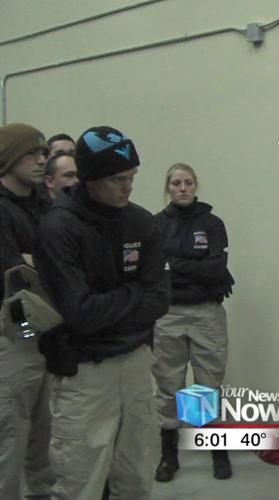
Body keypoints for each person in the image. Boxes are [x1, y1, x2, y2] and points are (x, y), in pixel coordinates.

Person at [33, 125, 170, 500]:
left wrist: (113, 301)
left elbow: (160, 299)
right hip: (84, 373)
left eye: (132, 178)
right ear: (90, 178)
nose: (127, 188)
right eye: (117, 180)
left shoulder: (142, 222)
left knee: (137, 478)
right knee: (81, 483)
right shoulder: (58, 228)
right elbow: (80, 312)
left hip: (136, 362)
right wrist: (135, 291)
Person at [152, 162, 235, 482]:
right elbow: (155, 271)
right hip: (168, 314)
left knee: (206, 385)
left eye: (187, 182)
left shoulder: (212, 223)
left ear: (195, 185)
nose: (182, 188)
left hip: (206, 313)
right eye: (176, 183)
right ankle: (169, 455)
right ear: (168, 188)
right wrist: (194, 266)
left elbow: (216, 269)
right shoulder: (155, 225)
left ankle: (215, 451)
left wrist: (175, 264)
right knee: (169, 384)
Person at [0, 123, 54, 500]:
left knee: (45, 435)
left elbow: (63, 264)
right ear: (9, 158)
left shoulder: (45, 206)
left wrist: (37, 262)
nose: (41, 160)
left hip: (49, 332)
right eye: (32, 153)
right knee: (10, 436)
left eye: (44, 153)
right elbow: (14, 274)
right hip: (13, 334)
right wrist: (36, 264)